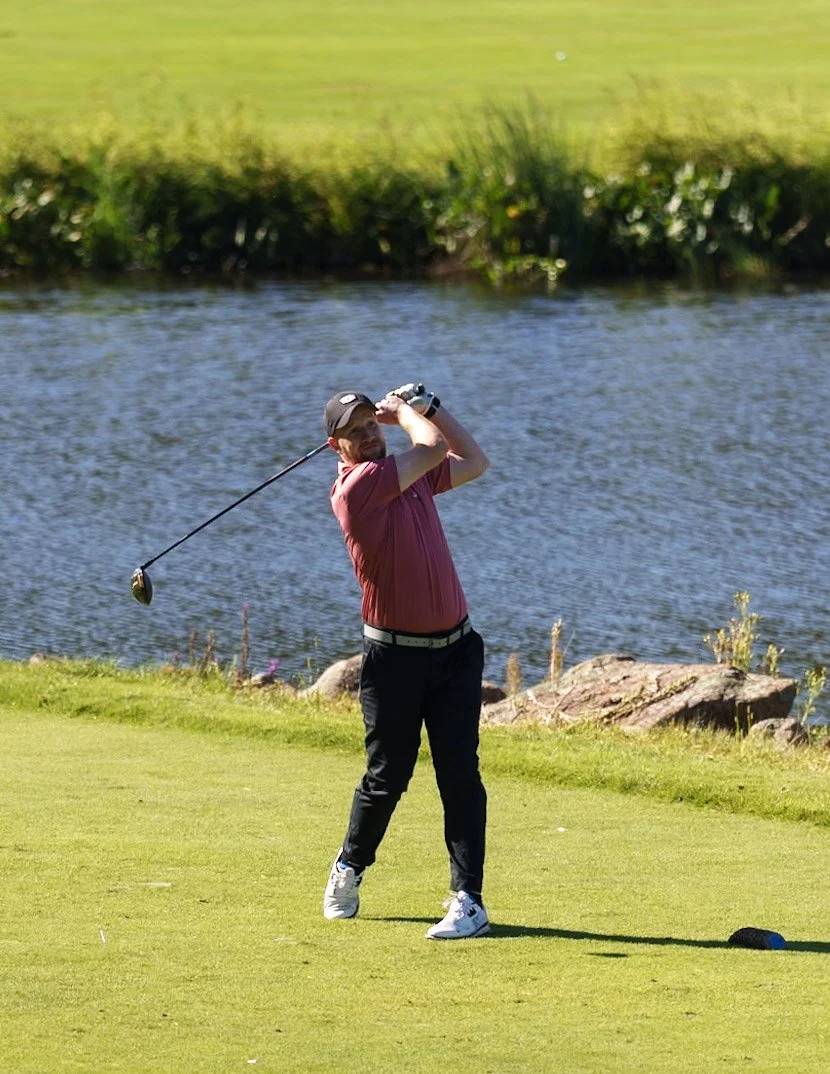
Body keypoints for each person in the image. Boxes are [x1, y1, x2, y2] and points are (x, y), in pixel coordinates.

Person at [321, 383, 491, 940]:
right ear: (336, 446)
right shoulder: (358, 488)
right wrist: (403, 413)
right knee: (387, 777)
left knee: (459, 775)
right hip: (394, 659)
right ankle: (349, 866)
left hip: (456, 652)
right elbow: (435, 448)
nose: (369, 435)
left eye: (371, 423)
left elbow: (474, 461)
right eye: (355, 431)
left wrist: (432, 409)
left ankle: (468, 899)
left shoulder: (407, 477)